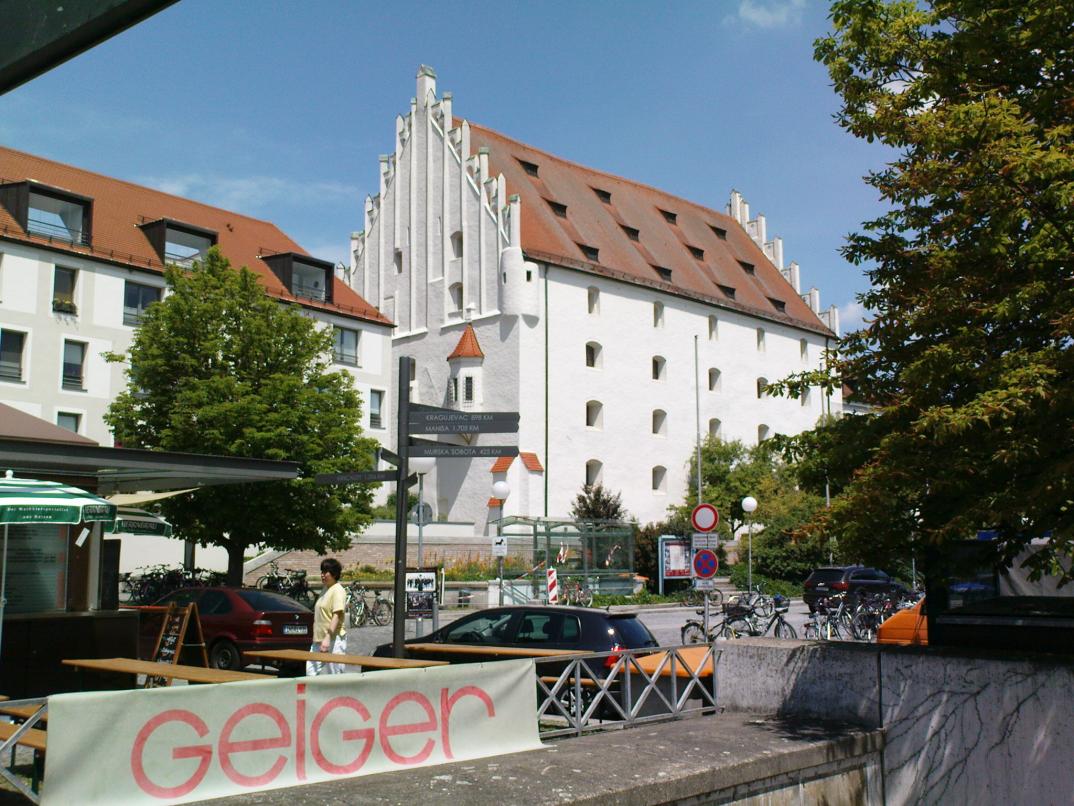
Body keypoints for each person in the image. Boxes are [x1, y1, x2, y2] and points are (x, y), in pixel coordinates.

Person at [307, 558, 347, 675]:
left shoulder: (338, 590)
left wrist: (328, 637)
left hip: (333, 639)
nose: (322, 575)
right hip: (318, 639)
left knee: (335, 676)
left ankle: (338, 694)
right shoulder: (325, 589)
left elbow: (337, 615)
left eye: (325, 572)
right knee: (310, 672)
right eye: (322, 572)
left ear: (334, 574)